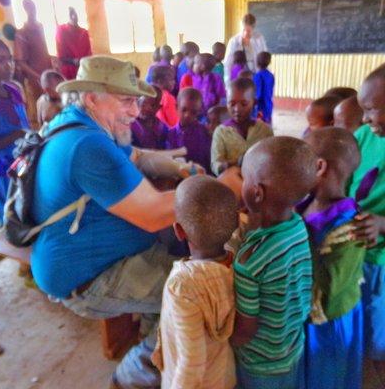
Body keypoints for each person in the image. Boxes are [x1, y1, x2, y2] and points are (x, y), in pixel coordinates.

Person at [30, 56, 200, 389]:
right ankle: (135, 373)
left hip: (78, 256)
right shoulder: (87, 144)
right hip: (86, 279)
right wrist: (222, 188)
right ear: (92, 97)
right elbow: (152, 213)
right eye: (126, 100)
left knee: (173, 249)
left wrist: (180, 169)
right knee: (193, 293)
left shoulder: (75, 122)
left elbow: (133, 155)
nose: (136, 110)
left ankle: (156, 331)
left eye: (135, 100)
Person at [231, 136, 316, 389]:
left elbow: (246, 330)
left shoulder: (249, 261)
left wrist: (225, 341)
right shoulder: (298, 226)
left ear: (256, 192)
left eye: (243, 178)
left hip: (260, 364)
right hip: (292, 345)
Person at [152, 175, 238, 388]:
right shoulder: (239, 263)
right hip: (223, 374)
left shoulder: (183, 286)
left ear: (179, 231)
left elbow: (191, 364)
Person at [298, 127, 366, 389]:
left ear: (319, 166)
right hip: (310, 324)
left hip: (327, 329)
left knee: (326, 378)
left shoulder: (351, 229)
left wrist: (296, 229)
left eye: (299, 163)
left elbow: (326, 298)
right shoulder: (306, 203)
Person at [348, 64, 385, 386]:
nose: (365, 118)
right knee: (358, 324)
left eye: (371, 109)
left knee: (378, 336)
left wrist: (382, 224)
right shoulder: (363, 136)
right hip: (355, 252)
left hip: (381, 262)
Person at [0, 36, 28, 228]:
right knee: (13, 220)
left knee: (28, 214)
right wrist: (15, 136)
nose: (9, 65)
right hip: (0, 172)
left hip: (22, 164)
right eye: (0, 60)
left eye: (9, 59)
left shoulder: (14, 91)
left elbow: (23, 123)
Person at [211, 78, 273, 176]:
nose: (237, 109)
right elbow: (215, 163)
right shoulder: (221, 132)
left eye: (244, 104)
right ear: (226, 103)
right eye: (232, 104)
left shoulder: (264, 130)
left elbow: (271, 160)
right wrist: (228, 165)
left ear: (254, 103)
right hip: (231, 183)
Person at [14, 0, 52, 129]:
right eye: (29, 8)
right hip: (34, 78)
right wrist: (37, 76)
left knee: (51, 105)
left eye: (34, 8)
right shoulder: (21, 33)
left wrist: (52, 63)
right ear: (25, 11)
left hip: (47, 74)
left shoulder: (40, 28)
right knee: (39, 109)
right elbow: (20, 62)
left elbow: (44, 50)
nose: (32, 11)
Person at [166, 88, 211, 173]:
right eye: (184, 110)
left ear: (199, 112)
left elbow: (206, 162)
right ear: (176, 107)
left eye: (193, 112)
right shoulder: (170, 134)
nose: (187, 115)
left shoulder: (204, 133)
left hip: (199, 176)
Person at [224, 13, 267, 86]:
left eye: (249, 31)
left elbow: (264, 57)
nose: (246, 33)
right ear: (241, 27)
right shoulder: (234, 40)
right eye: (244, 30)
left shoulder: (259, 38)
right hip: (238, 73)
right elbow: (228, 62)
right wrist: (227, 81)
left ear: (253, 28)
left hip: (255, 71)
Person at [56, 7, 92, 80]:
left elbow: (89, 54)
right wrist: (73, 61)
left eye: (75, 14)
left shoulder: (84, 33)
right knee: (71, 89)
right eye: (71, 14)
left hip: (84, 68)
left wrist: (83, 62)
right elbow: (61, 56)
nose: (74, 16)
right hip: (68, 70)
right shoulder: (61, 30)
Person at [131, 85, 168, 150]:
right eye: (144, 103)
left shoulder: (161, 128)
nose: (147, 108)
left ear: (159, 107)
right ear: (138, 101)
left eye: (152, 105)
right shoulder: (131, 124)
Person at [253, 51, 275, 124]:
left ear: (257, 62)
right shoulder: (271, 75)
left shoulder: (257, 76)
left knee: (260, 127)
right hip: (269, 104)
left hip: (260, 106)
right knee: (267, 124)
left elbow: (258, 94)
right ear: (269, 62)